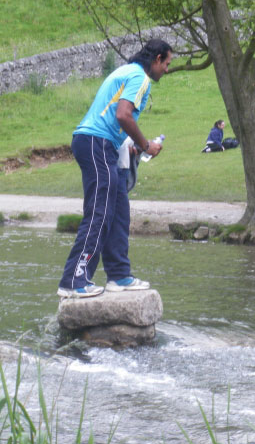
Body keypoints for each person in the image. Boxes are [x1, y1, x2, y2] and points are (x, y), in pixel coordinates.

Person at [57, 39, 173, 299]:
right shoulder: (139, 77)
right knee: (100, 212)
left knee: (119, 210)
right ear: (156, 59)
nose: (167, 69)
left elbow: (111, 115)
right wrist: (144, 145)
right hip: (97, 144)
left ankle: (119, 275)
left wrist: (129, 144)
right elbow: (122, 115)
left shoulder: (125, 71)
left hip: (105, 144)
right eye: (166, 63)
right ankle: (73, 281)